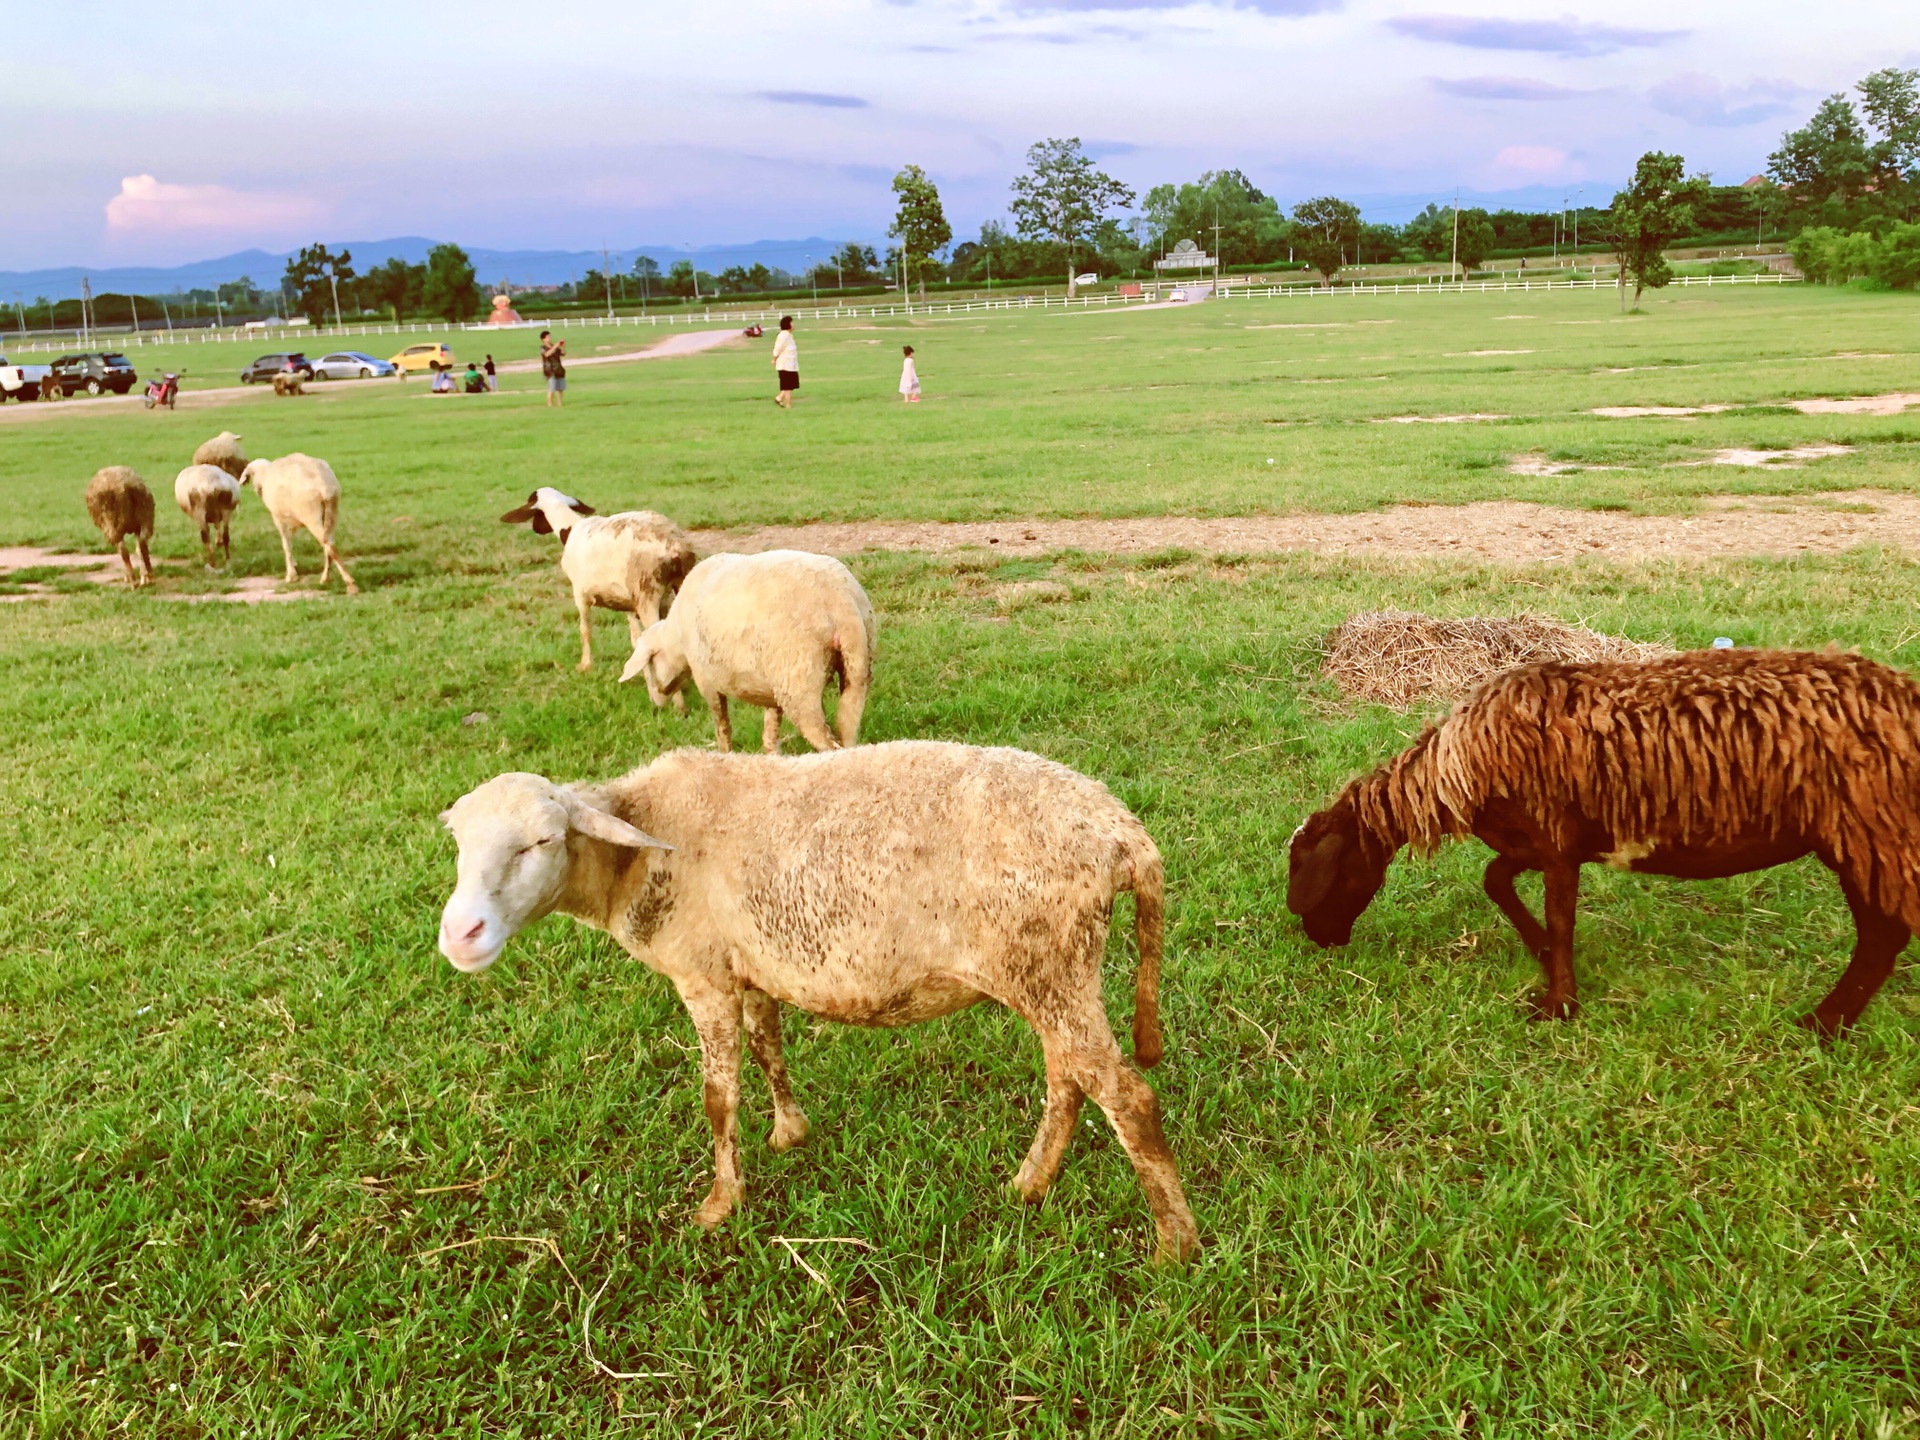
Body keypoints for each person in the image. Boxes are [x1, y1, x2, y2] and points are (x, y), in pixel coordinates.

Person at [771, 315, 798, 409]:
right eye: (792, 323)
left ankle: (779, 398)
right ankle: (788, 406)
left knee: (791, 385)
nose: (793, 325)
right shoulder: (783, 335)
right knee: (787, 387)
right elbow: (778, 348)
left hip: (791, 365)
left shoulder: (788, 335)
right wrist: (774, 359)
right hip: (785, 365)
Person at [540, 330, 567, 408]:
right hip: (550, 370)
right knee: (552, 388)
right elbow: (547, 354)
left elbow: (563, 353)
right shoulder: (543, 348)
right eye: (548, 337)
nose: (550, 338)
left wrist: (561, 346)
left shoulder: (554, 346)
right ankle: (550, 404)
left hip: (559, 369)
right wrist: (555, 346)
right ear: (543, 339)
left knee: (560, 388)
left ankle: (560, 403)